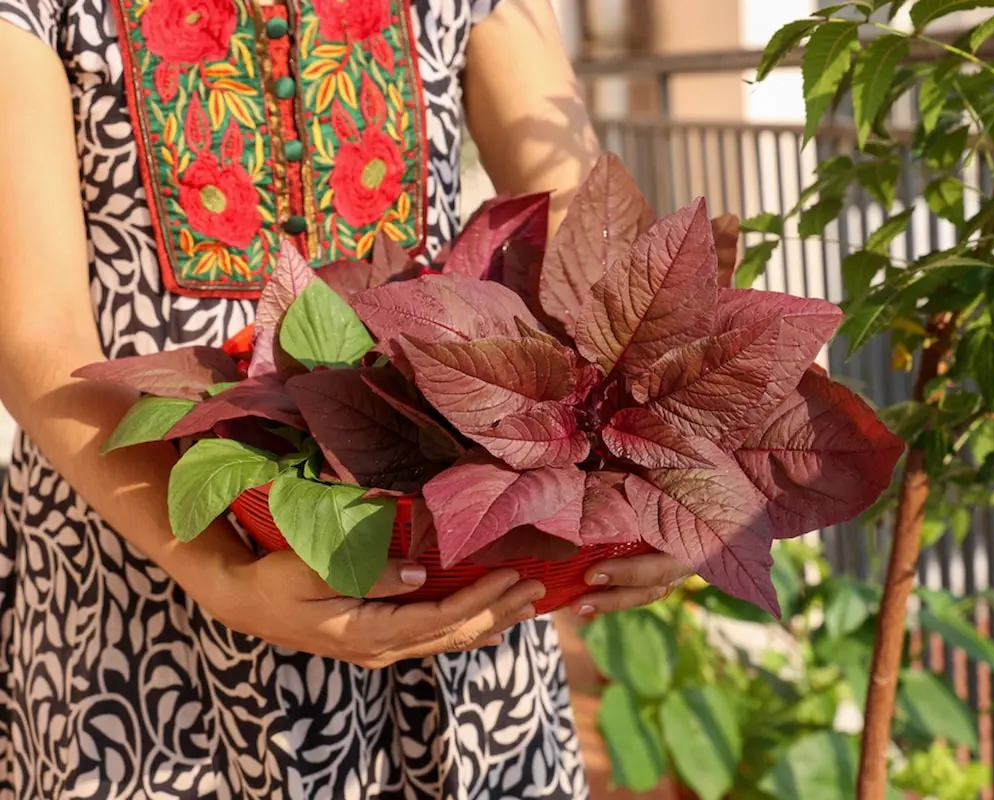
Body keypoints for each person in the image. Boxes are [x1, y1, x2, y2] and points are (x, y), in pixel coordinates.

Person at [0, 0, 691, 795]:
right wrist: (222, 577)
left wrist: (665, 485)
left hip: (446, 585)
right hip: (143, 586)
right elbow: (34, 330)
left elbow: (591, 243)